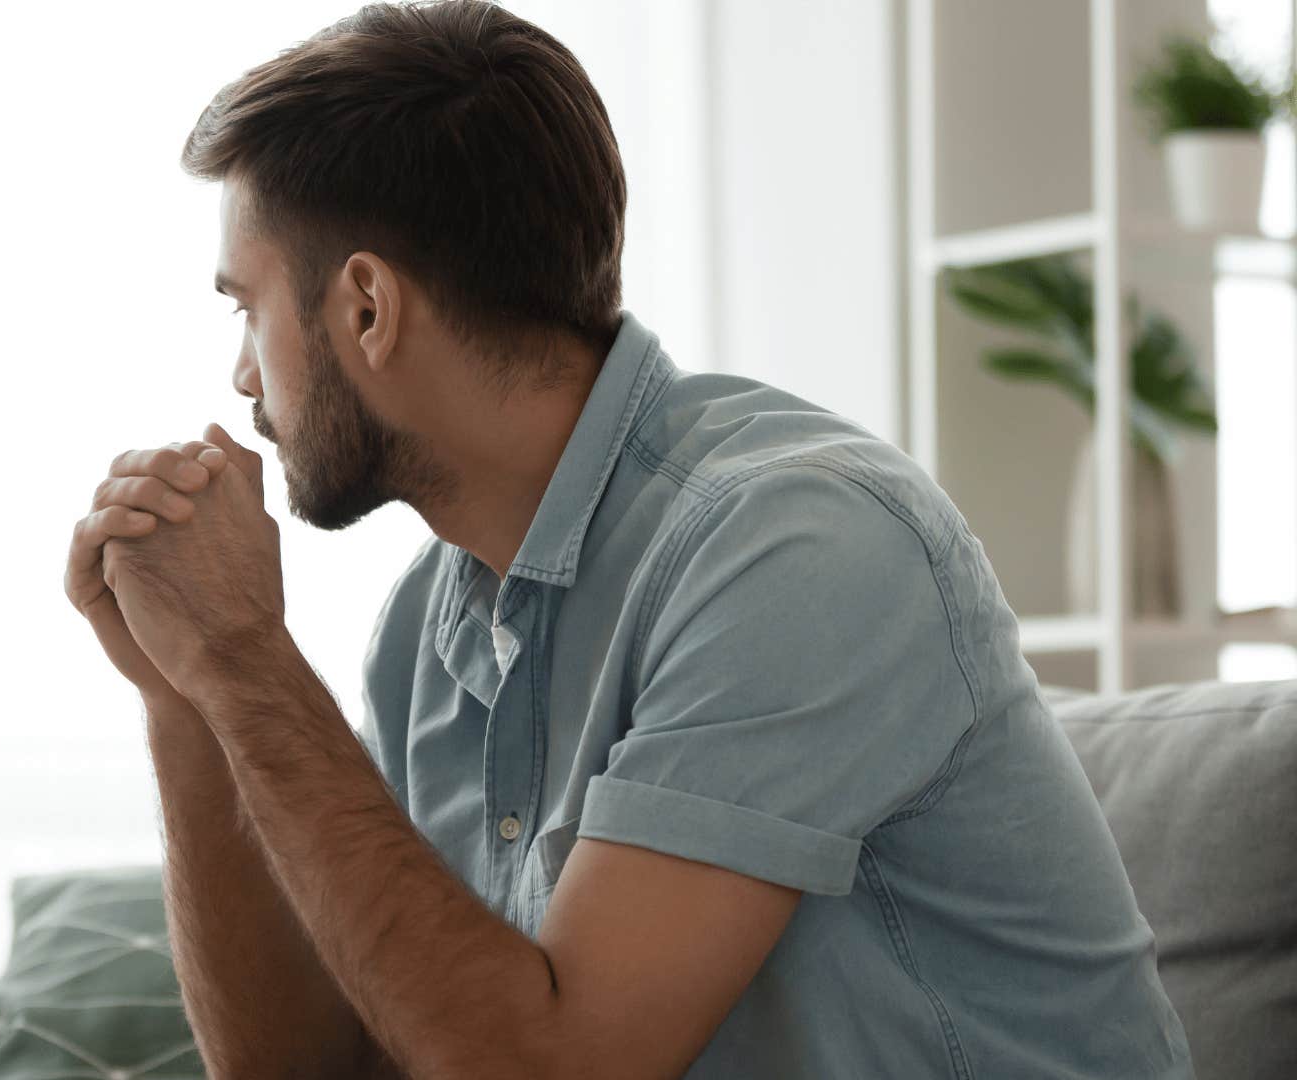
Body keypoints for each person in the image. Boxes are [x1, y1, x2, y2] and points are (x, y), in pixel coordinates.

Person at [62, 2, 1194, 1076]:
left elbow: (554, 1066)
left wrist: (248, 661)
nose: (241, 374)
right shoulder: (427, 629)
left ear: (367, 309)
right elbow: (302, 1073)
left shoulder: (800, 547)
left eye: (245, 308)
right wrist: (188, 697)